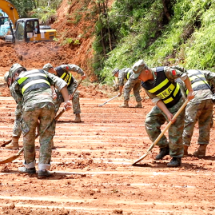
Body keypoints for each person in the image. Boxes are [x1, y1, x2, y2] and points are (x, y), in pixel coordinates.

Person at [9, 63, 72, 178]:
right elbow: (61, 83)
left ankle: (29, 167)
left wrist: (31, 122)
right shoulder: (42, 72)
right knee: (46, 136)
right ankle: (43, 169)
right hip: (48, 104)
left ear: (16, 74)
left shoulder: (16, 82)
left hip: (29, 107)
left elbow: (20, 104)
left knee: (28, 136)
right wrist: (67, 101)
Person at [130, 59, 194, 167]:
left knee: (174, 130)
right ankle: (164, 147)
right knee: (150, 122)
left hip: (177, 102)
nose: (138, 78)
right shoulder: (145, 85)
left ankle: (176, 157)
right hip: (164, 105)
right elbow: (156, 100)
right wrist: (167, 113)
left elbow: (183, 75)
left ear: (146, 71)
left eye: (139, 75)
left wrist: (190, 91)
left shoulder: (164, 72)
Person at [176, 68, 215, 157]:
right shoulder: (199, 72)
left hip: (195, 97)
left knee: (189, 122)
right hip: (208, 97)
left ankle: (184, 149)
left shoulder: (181, 77)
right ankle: (202, 150)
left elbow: (182, 97)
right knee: (205, 123)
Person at [4, 71, 22, 150]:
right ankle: (49, 142)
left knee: (18, 117)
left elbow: (19, 101)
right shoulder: (23, 79)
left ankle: (14, 142)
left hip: (26, 104)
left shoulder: (13, 86)